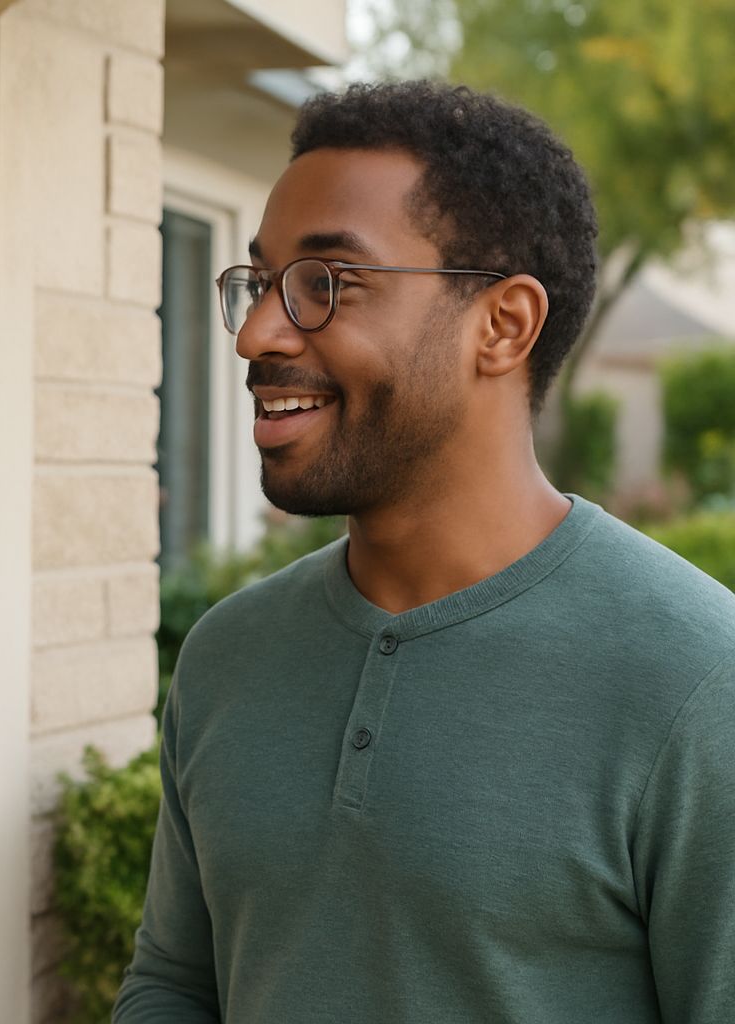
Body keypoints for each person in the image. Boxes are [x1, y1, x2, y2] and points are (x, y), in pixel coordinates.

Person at [113, 81, 735, 1022]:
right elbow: (175, 983)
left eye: (329, 282)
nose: (255, 333)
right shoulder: (227, 656)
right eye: (262, 283)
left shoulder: (697, 678)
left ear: (504, 325)